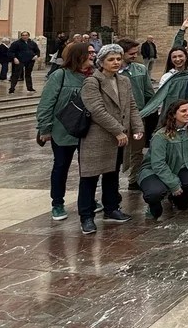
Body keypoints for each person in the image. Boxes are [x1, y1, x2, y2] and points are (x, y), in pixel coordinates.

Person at [78, 44, 143, 234]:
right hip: (97, 137)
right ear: (102, 62)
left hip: (118, 137)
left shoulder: (123, 81)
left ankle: (111, 208)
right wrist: (118, 130)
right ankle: (87, 216)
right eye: (111, 59)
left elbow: (131, 105)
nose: (115, 63)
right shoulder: (92, 82)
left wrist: (138, 127)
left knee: (112, 174)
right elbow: (97, 110)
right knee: (89, 177)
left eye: (118, 59)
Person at [36, 42, 95, 221]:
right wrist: (44, 128)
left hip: (88, 131)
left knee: (89, 169)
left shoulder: (94, 76)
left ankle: (88, 201)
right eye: (89, 53)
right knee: (61, 166)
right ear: (79, 56)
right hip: (63, 130)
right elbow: (46, 103)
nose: (93, 55)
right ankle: (57, 202)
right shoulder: (60, 75)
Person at [139, 99, 188, 220]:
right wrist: (173, 184)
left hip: (178, 167)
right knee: (155, 193)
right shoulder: (161, 136)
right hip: (154, 171)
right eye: (183, 111)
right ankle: (154, 205)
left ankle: (177, 200)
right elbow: (158, 164)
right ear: (174, 114)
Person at [117, 38, 155, 187]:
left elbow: (149, 93)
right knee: (116, 152)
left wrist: (147, 111)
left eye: (136, 53)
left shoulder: (140, 69)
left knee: (137, 150)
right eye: (131, 53)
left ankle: (134, 179)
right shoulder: (112, 70)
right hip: (117, 117)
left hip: (138, 116)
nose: (135, 56)